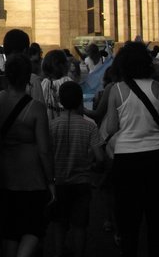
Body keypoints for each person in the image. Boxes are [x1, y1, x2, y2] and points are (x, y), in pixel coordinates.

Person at [101, 40, 159, 257]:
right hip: (158, 157)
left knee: (128, 221)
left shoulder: (117, 90)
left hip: (126, 159)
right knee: (156, 221)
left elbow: (112, 127)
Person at [0, 53, 55, 257]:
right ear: (28, 77)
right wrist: (51, 180)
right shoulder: (36, 108)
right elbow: (44, 149)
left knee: (9, 230)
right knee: (33, 228)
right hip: (31, 177)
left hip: (2, 174)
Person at [47, 81, 104, 257]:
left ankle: (58, 253)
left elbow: (46, 154)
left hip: (58, 182)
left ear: (60, 101)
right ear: (80, 101)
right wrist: (93, 166)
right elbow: (101, 158)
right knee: (80, 225)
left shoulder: (52, 125)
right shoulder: (90, 126)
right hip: (81, 183)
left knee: (59, 223)